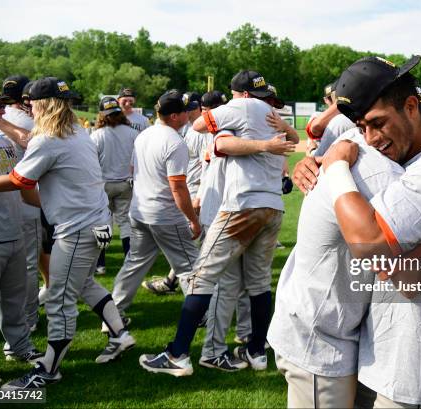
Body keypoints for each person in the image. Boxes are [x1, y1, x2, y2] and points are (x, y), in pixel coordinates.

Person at [284, 56, 421, 408]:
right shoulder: (381, 159)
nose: (371, 138)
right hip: (370, 350)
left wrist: (337, 167)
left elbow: (387, 260)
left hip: (418, 364)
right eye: (362, 127)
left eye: (378, 123)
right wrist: (318, 161)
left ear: (410, 107)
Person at [0, 77, 136, 388]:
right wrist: (7, 128)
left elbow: (19, 180)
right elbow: (29, 142)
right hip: (97, 222)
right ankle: (120, 334)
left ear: (41, 104)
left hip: (76, 228)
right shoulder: (75, 130)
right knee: (86, 284)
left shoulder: (49, 139)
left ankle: (49, 370)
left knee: (59, 300)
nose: (29, 107)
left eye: (33, 102)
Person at [138, 70, 297, 376]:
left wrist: (229, 131)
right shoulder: (273, 117)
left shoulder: (244, 106)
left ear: (239, 94)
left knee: (202, 277)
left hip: (242, 206)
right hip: (273, 207)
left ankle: (178, 354)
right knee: (259, 282)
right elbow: (287, 140)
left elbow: (200, 125)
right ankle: (256, 351)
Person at [109, 90, 201, 321]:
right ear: (173, 116)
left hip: (139, 211)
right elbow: (178, 187)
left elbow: (133, 170)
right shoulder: (175, 142)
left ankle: (112, 314)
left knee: (133, 265)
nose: (187, 116)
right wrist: (192, 219)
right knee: (190, 267)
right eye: (184, 113)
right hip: (164, 215)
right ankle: (201, 314)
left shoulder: (144, 135)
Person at [0, 83, 43, 387]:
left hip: (13, 231)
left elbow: (23, 184)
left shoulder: (3, 141)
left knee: (14, 301)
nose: (2, 111)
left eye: (3, 104)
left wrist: (48, 211)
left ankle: (20, 347)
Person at [90, 96, 139, 275]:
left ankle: (100, 265)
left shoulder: (96, 135)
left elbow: (91, 163)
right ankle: (129, 262)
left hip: (103, 184)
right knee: (125, 223)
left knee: (103, 223)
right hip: (126, 183)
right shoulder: (132, 133)